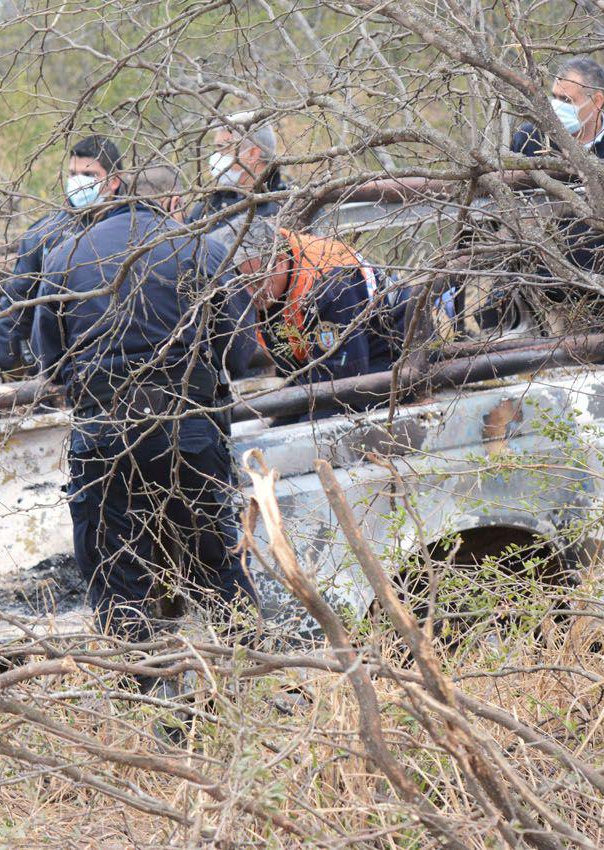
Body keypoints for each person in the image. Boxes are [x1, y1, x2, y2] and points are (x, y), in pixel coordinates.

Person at [31, 166, 261, 651]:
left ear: (118, 192)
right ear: (174, 200)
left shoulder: (64, 256)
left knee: (116, 579)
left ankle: (136, 693)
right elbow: (239, 352)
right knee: (218, 565)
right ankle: (249, 679)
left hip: (102, 436)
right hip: (189, 433)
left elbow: (49, 359)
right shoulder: (204, 250)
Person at [0, 136, 124, 385]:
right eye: (72, 174)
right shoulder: (46, 235)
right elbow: (18, 299)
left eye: (88, 175)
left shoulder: (133, 230)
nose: (78, 182)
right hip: (58, 370)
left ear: (113, 181)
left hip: (121, 362)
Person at [226, 218, 407, 393]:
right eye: (243, 283)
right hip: (329, 373)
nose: (250, 294)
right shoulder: (272, 290)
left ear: (280, 261)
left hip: (393, 363)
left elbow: (342, 378)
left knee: (305, 421)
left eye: (257, 281)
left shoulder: (331, 288)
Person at [511, 57, 604, 164]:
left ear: (597, 101)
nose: (556, 106)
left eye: (566, 100)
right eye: (554, 96)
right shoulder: (528, 138)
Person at [185, 111, 288, 226]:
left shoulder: (285, 207)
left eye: (222, 148)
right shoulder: (210, 204)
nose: (216, 156)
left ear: (252, 154)